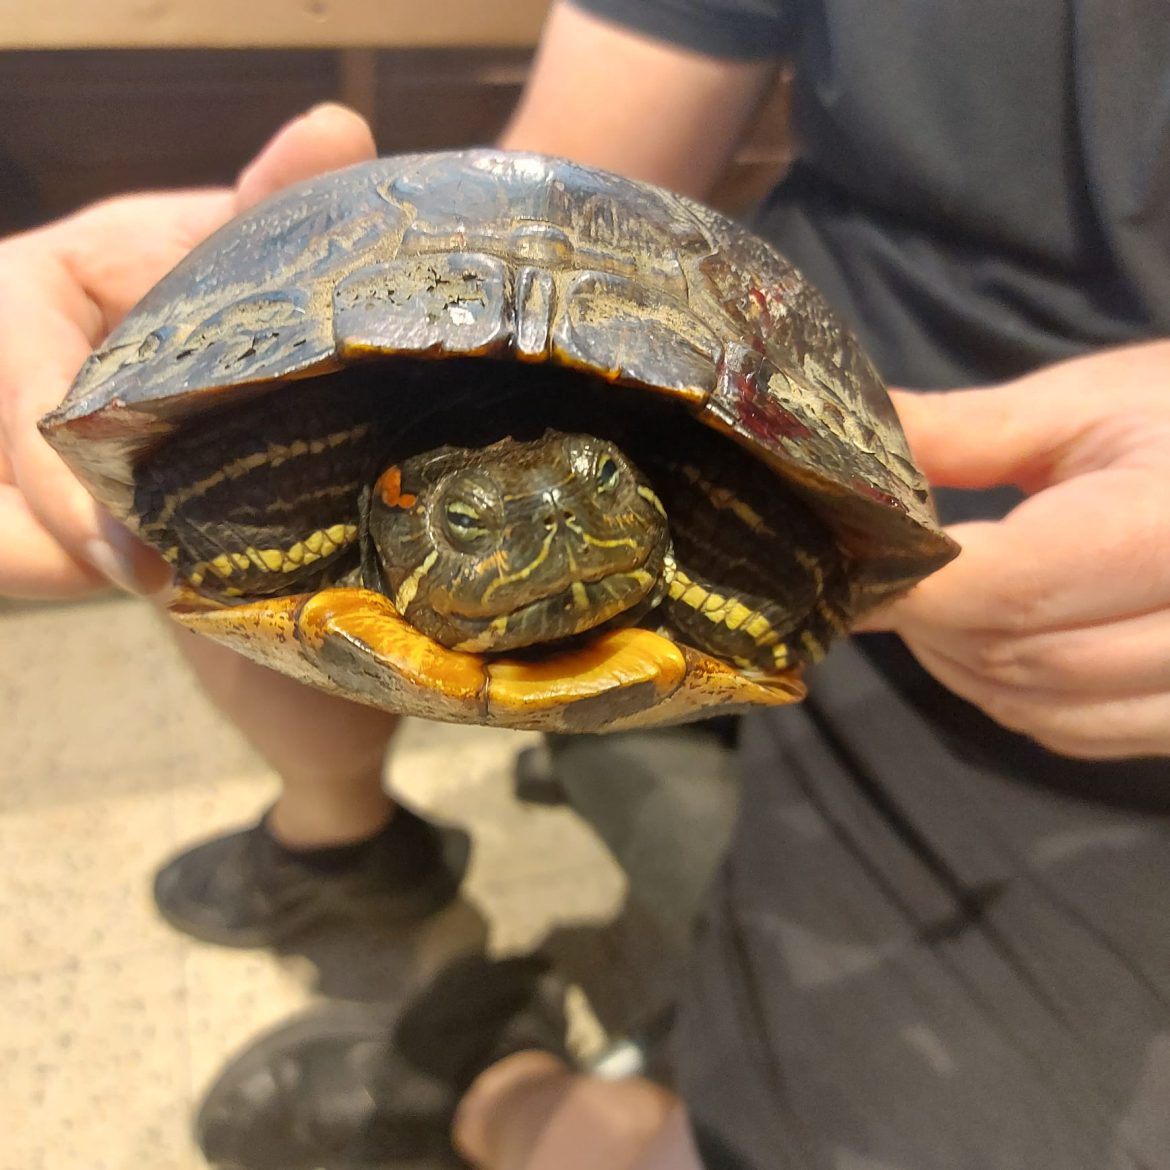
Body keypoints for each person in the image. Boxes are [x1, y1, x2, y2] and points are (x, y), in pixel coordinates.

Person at [2, 0, 1169, 1165]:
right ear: (394, 508)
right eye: (469, 520)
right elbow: (551, 182)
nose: (556, 523)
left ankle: (490, 1081)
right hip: (729, 353)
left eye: (599, 492)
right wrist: (222, 290)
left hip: (914, 537)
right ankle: (347, 849)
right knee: (189, 514)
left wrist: (795, 522)